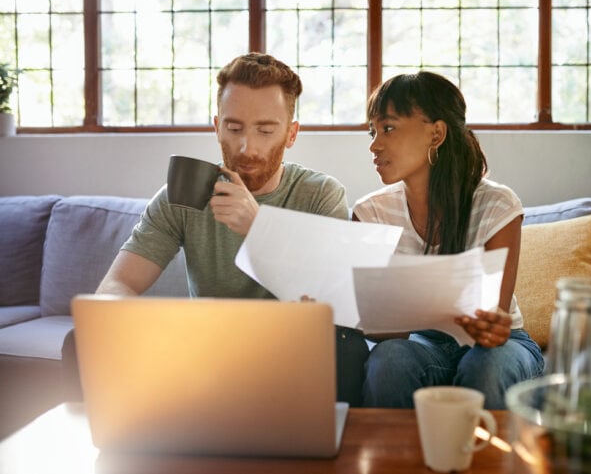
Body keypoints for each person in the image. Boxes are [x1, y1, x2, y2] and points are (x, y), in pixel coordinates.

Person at [65, 52, 368, 405]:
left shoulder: (319, 194)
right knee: (83, 338)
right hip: (208, 349)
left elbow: (339, 303)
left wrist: (258, 227)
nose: (245, 147)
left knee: (344, 348)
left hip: (289, 347)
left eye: (266, 130)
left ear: (291, 133)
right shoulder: (183, 194)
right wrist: (132, 325)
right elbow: (118, 284)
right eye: (234, 127)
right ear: (216, 126)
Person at [352, 71, 544, 409]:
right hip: (421, 343)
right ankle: (395, 462)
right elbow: (377, 328)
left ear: (436, 133)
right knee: (390, 362)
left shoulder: (497, 205)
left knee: (486, 366)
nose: (374, 144)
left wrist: (491, 324)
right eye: (373, 131)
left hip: (499, 346)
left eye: (389, 128)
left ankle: (489, 462)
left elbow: (492, 324)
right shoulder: (371, 213)